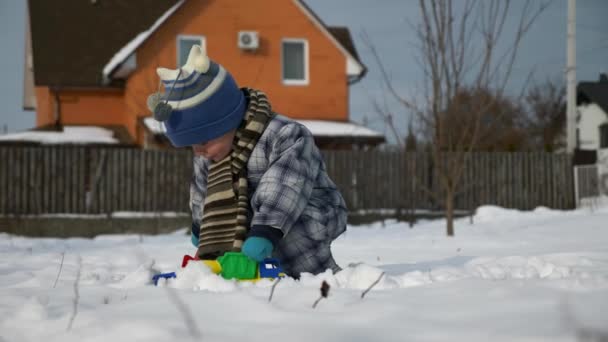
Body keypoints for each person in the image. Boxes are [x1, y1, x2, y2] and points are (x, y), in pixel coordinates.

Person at [148, 45, 347, 278]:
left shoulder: (283, 135)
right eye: (192, 145)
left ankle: (309, 275)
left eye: (203, 141)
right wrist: (201, 228)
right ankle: (248, 269)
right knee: (240, 227)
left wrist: (265, 230)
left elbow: (285, 186)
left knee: (287, 230)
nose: (199, 150)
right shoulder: (210, 152)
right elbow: (203, 191)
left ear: (226, 121)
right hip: (258, 217)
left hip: (308, 210)